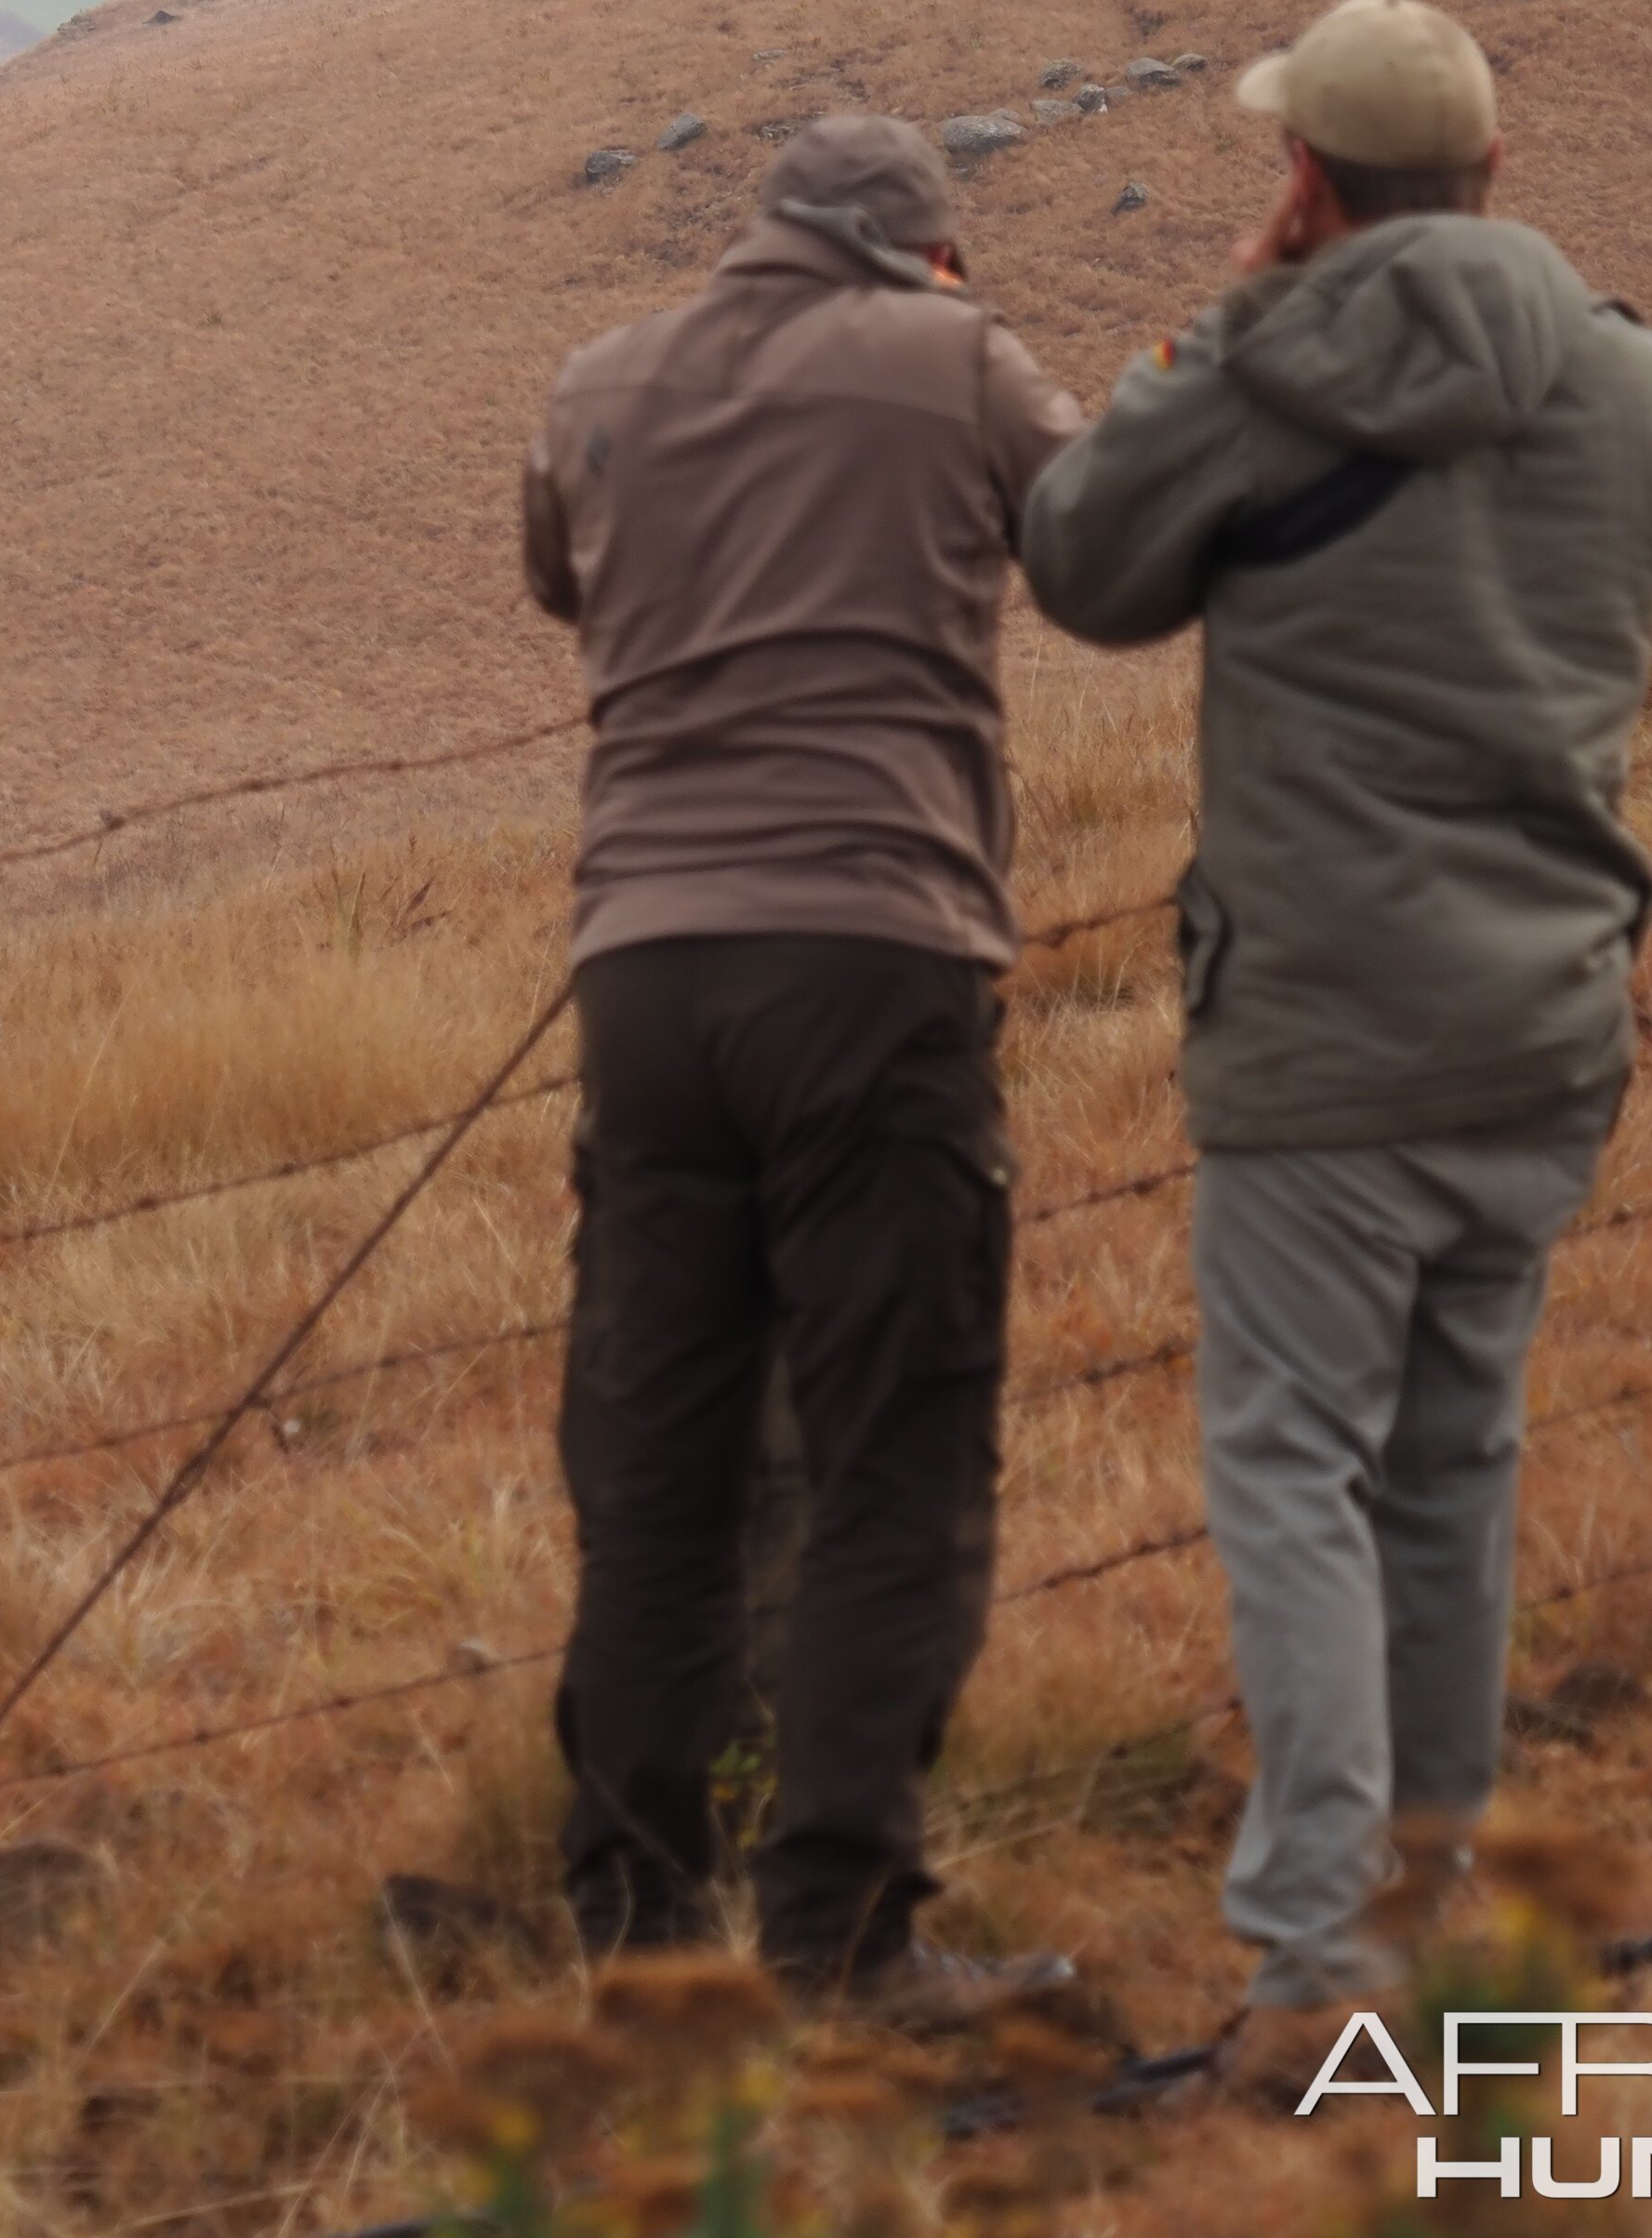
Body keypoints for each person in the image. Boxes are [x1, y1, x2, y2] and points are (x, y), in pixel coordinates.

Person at [1014, 0, 1652, 2031]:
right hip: (1549, 1003)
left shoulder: (1260, 371)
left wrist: (1218, 332)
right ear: (1496, 174)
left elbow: (1081, 564)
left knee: (1297, 1460)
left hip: (1325, 1021)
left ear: (1300, 182)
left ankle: (1321, 1955)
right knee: (1457, 1457)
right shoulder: (1635, 381)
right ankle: (1432, 1890)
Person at [521, 112, 1084, 1994]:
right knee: (888, 1445)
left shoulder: (600, 376)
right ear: (922, 254)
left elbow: (559, 577)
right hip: (870, 950)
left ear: (766, 235)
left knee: (662, 1453)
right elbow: (1087, 540)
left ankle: (636, 1927)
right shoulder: (958, 356)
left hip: (643, 985)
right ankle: (844, 1933)